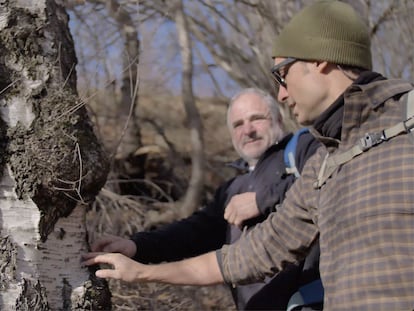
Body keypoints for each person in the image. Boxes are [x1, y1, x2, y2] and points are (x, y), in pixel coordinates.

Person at [83, 1, 414, 309]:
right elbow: (243, 255)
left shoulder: (314, 149)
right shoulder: (325, 162)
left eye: (281, 75)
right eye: (238, 123)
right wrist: (139, 259)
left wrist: (265, 199)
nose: (282, 94)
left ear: (318, 59)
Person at [88, 87, 321, 310]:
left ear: (278, 120)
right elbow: (193, 233)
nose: (248, 130)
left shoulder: (303, 148)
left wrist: (263, 199)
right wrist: (136, 246)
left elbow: (327, 181)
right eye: (238, 124)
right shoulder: (232, 188)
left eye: (256, 118)